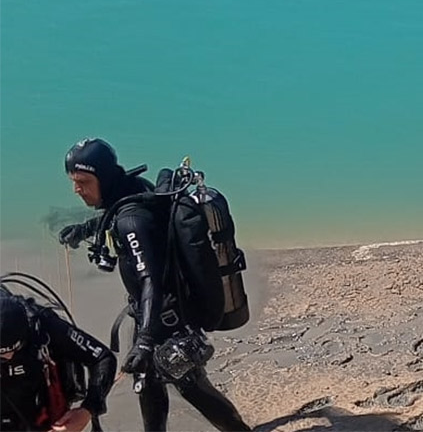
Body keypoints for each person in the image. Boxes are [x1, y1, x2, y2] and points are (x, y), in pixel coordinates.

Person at [57, 138, 251, 432]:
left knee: (191, 386)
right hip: (155, 313)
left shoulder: (131, 219)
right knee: (147, 383)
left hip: (164, 317)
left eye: (83, 181)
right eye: (73, 181)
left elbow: (150, 279)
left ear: (104, 178)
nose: (77, 189)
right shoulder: (134, 191)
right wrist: (84, 229)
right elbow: (115, 210)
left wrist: (146, 339)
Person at [1, 287, 116, 432]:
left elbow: (102, 358)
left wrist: (87, 410)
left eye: (15, 350)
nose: (9, 357)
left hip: (41, 413)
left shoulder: (43, 326)